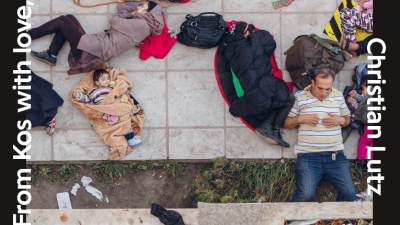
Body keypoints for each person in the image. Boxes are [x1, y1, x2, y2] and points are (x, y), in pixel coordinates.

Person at [27, 0, 163, 75]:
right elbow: (121, 7)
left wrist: (133, 13)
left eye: (142, 5)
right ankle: (51, 54)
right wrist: (135, 10)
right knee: (69, 18)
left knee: (63, 21)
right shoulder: (142, 22)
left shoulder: (142, 25)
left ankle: (27, 36)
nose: (138, 6)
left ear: (147, 13)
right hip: (96, 48)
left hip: (94, 51)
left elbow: (114, 21)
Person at [284, 67, 356, 202]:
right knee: (305, 194)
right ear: (312, 82)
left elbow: (347, 120)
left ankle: (337, 221)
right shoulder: (300, 97)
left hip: (335, 156)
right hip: (308, 157)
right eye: (320, 88)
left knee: (349, 193)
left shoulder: (338, 95)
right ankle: (287, 220)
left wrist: (339, 120)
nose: (324, 93)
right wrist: (301, 119)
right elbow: (286, 123)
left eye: (328, 89)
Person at [224, 22, 294, 147]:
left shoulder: (230, 48)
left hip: (250, 86)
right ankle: (272, 128)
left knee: (278, 95)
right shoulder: (253, 43)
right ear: (247, 33)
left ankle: (270, 128)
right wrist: (255, 35)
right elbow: (270, 44)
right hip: (260, 84)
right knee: (287, 97)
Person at [73, 69, 142, 148]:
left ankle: (130, 138)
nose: (107, 80)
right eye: (103, 79)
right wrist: (79, 96)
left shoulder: (111, 87)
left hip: (115, 106)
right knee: (108, 125)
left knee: (124, 119)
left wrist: (117, 79)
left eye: (108, 78)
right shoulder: (93, 91)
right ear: (97, 82)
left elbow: (118, 90)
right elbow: (87, 100)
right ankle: (117, 141)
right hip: (104, 108)